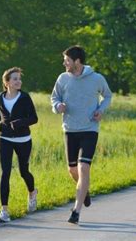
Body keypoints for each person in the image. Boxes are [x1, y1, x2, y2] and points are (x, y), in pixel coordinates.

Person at [51, 45, 112, 224]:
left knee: (84, 167)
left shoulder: (96, 78)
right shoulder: (62, 79)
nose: (64, 63)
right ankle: (84, 190)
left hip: (89, 129)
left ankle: (76, 211)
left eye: (67, 60)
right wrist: (57, 106)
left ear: (77, 61)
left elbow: (107, 96)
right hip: (70, 129)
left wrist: (101, 110)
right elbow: (54, 98)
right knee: (72, 170)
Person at [0, 67, 39, 223]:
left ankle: (32, 192)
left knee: (24, 171)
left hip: (23, 139)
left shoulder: (25, 97)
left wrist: (20, 122)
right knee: (5, 173)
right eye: (15, 79)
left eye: (19, 79)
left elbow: (34, 118)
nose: (19, 81)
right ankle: (4, 211)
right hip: (4, 138)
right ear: (7, 82)